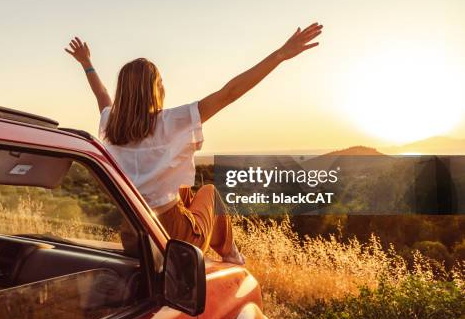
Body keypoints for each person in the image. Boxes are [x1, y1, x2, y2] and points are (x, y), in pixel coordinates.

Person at [65, 23, 323, 264]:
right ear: (154, 89)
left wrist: (87, 64)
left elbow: (102, 95)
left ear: (124, 91)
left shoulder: (111, 124)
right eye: (160, 83)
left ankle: (227, 250)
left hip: (132, 232)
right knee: (209, 192)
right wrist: (280, 55)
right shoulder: (171, 121)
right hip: (173, 236)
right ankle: (232, 256)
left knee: (185, 192)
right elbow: (230, 93)